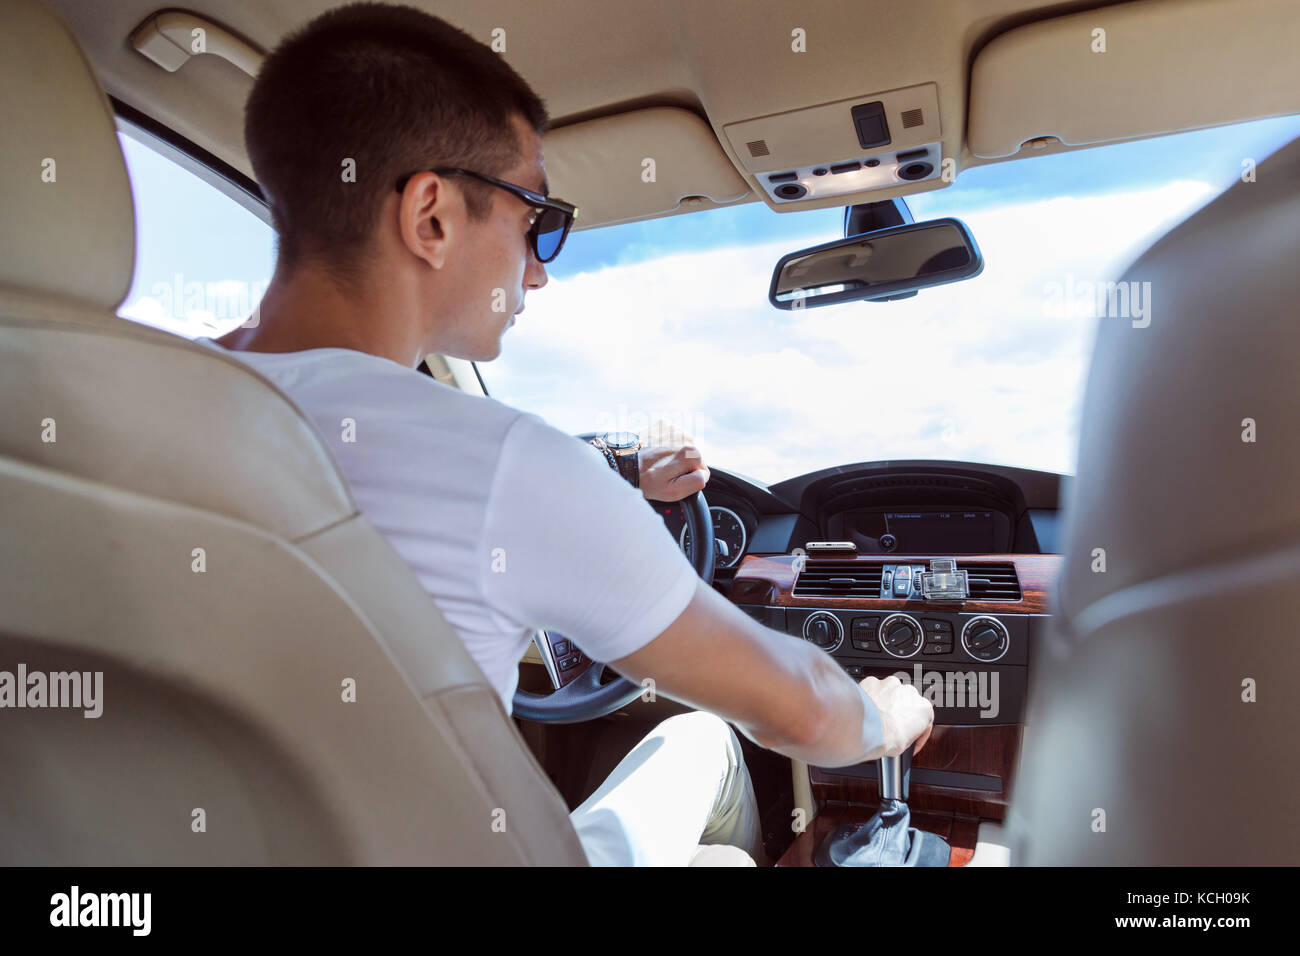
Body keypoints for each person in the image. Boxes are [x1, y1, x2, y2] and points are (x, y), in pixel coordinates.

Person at [202, 1, 934, 866]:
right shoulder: (507, 467)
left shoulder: (120, 403)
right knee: (721, 823)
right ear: (430, 215)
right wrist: (889, 714)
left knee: (702, 780)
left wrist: (628, 493)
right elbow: (803, 711)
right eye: (536, 220)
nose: (541, 272)